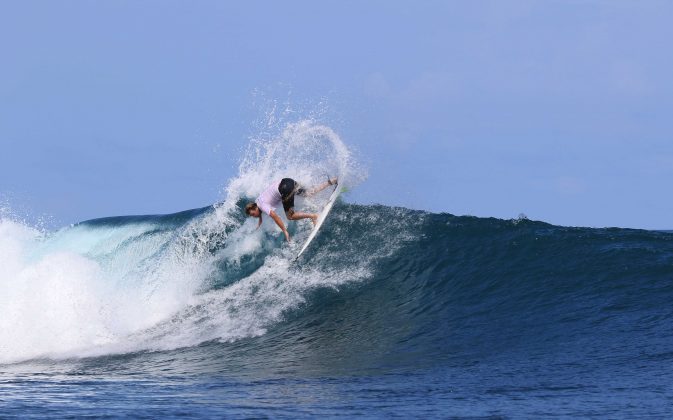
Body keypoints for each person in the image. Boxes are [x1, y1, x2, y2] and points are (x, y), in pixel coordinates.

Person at [245, 177, 337, 242]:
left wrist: (284, 231)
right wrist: (260, 220)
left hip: (284, 189)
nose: (254, 216)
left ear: (255, 208)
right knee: (309, 193)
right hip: (288, 181)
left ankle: (313, 216)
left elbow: (275, 216)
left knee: (290, 216)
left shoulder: (262, 206)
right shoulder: (257, 201)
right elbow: (259, 210)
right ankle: (332, 181)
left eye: (253, 214)